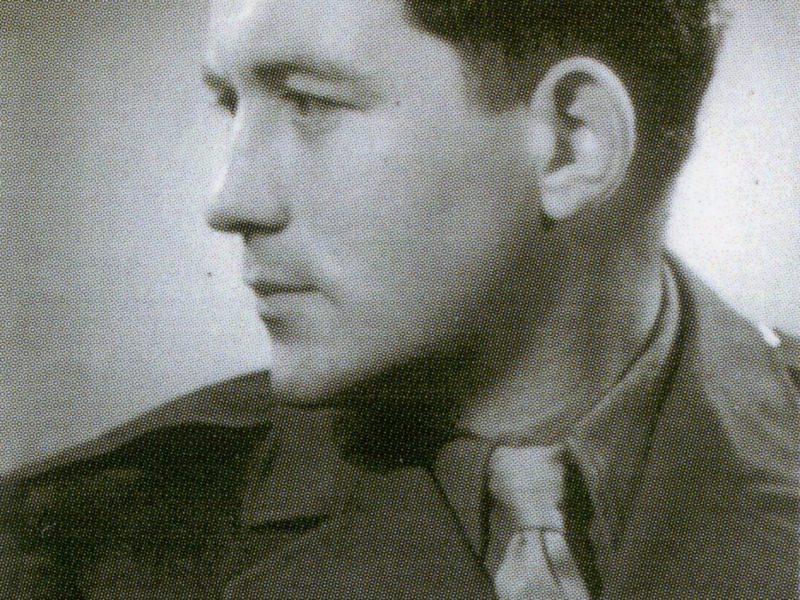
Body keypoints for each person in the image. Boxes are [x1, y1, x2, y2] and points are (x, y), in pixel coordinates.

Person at [2, 1, 798, 598]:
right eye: (230, 103)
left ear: (570, 143)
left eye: (309, 103)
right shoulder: (61, 551)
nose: (229, 200)